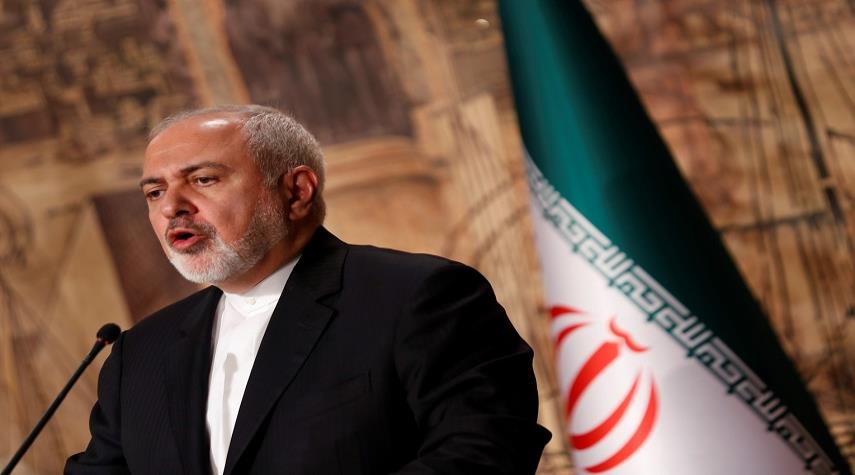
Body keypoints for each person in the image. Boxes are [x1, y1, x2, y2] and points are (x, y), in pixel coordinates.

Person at [65, 105, 551, 475]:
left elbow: (483, 453)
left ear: (296, 191)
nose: (172, 207)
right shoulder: (140, 355)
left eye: (204, 179)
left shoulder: (418, 297)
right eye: (155, 192)